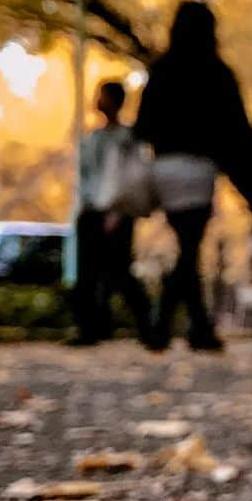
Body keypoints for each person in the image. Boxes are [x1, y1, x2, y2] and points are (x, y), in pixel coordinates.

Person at [135, 1, 252, 351]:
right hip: (198, 171)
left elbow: (142, 125)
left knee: (187, 247)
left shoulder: (161, 70)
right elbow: (237, 128)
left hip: (164, 170)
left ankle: (187, 326)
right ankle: (176, 326)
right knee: (189, 249)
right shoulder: (217, 72)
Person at [71, 81, 153, 347]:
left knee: (119, 271)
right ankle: (90, 329)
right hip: (91, 210)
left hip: (117, 210)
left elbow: (129, 179)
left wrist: (118, 210)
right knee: (88, 273)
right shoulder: (93, 139)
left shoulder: (127, 139)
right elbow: (86, 178)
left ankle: (146, 325)